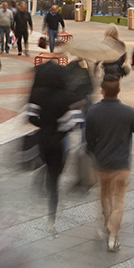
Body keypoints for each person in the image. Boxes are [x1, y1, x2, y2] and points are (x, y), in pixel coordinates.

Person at [83, 78, 134, 251]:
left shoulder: (94, 111)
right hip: (122, 164)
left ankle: (106, 220)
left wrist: (93, 153)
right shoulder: (128, 112)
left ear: (102, 91)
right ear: (118, 91)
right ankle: (113, 237)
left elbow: (88, 140)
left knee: (105, 195)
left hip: (102, 163)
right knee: (119, 200)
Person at [27, 49, 78, 230]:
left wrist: (44, 124)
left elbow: (31, 117)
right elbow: (72, 124)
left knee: (50, 172)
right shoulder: (66, 97)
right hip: (59, 141)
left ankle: (46, 179)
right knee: (55, 177)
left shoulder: (39, 94)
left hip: (43, 139)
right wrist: (58, 126)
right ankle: (52, 218)